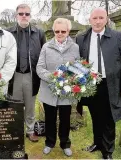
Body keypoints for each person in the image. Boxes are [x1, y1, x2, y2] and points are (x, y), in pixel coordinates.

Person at [76, 8, 121, 159]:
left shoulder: (118, 37)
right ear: (90, 20)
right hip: (91, 84)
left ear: (107, 20)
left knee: (109, 117)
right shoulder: (82, 38)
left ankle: (107, 151)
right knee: (95, 115)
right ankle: (97, 143)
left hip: (111, 84)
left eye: (101, 18)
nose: (97, 21)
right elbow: (78, 62)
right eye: (94, 18)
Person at [36, 18, 80, 157]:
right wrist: (53, 78)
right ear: (53, 31)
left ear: (68, 31)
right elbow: (40, 67)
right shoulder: (46, 47)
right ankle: (49, 142)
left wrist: (71, 79)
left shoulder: (75, 47)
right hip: (50, 89)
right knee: (50, 118)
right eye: (57, 31)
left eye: (63, 31)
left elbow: (78, 67)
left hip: (67, 90)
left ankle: (65, 143)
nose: (60, 33)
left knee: (65, 119)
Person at [7, 4, 46, 142]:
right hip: (14, 75)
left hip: (31, 75)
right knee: (14, 105)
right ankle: (15, 130)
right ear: (16, 15)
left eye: (27, 14)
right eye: (21, 13)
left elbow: (43, 54)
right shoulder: (8, 33)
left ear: (30, 15)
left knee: (30, 105)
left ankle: (30, 130)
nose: (24, 16)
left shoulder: (39, 33)